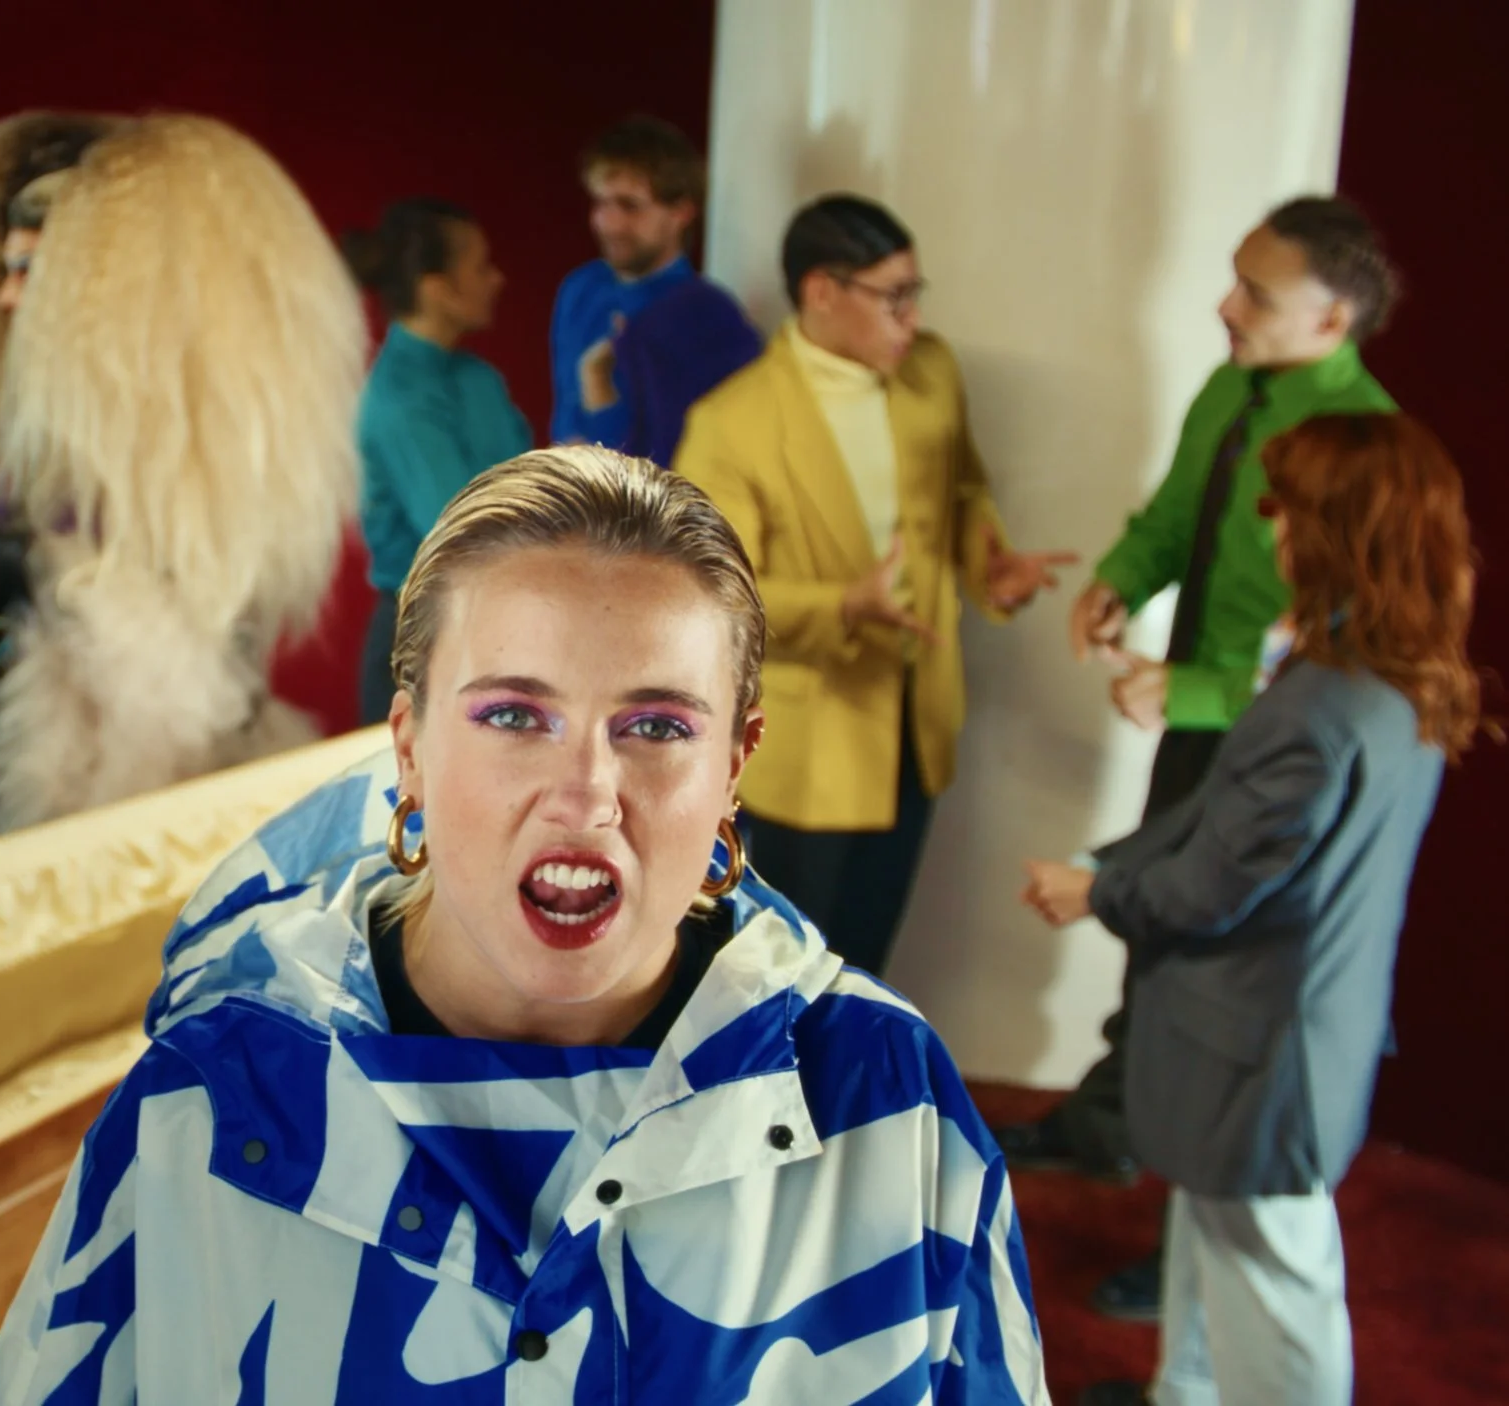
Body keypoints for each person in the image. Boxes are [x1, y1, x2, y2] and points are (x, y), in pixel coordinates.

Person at [0, 447, 1050, 1402]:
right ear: (406, 745)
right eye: (512, 715)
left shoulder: (887, 1100)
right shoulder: (203, 1107)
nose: (585, 792)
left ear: (734, 764)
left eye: (656, 725)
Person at [1021, 413, 1482, 1406]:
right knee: (1215, 1224)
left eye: (1285, 510)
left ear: (1333, 531)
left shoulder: (1316, 709)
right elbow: (1234, 827)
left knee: (1275, 1275)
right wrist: (1108, 864)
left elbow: (1211, 886)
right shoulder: (1387, 676)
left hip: (1260, 1041)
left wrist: (1096, 888)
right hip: (1300, 1021)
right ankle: (1181, 1390)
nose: (1270, 530)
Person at [993, 196, 1400, 1320]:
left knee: (1224, 990)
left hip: (1272, 739)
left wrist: (1198, 685)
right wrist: (1123, 576)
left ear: (1335, 316)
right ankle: (1110, 1131)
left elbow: (1358, 654)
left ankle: (1189, 1253)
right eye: (1233, 279)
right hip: (1195, 722)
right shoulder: (1232, 386)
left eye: (1255, 294)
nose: (1224, 306)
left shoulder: (1362, 444)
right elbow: (1175, 513)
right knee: (1157, 946)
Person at [0, 113, 363, 854]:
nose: (4, 298)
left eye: (29, 272)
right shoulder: (27, 426)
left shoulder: (194, 460)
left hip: (148, 798)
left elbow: (190, 675)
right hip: (14, 758)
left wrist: (29, 569)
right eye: (3, 269)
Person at [675, 194, 1074, 976]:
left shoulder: (932, 372)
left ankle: (854, 1101)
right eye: (895, 297)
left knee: (865, 968)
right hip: (808, 743)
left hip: (912, 727)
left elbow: (962, 495)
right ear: (822, 291)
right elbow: (709, 601)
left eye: (916, 293)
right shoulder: (734, 421)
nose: (912, 318)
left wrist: (989, 567)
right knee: (782, 974)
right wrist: (843, 607)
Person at [343, 197, 530, 723]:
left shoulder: (479, 379)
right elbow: (463, 531)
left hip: (495, 625)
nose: (497, 279)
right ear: (436, 289)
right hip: (421, 643)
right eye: (479, 266)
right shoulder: (397, 400)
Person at [547, 115, 757, 458]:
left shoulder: (709, 315)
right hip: (574, 497)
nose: (609, 223)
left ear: (682, 213)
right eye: (601, 203)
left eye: (630, 206)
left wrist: (599, 386)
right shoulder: (581, 289)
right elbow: (565, 421)